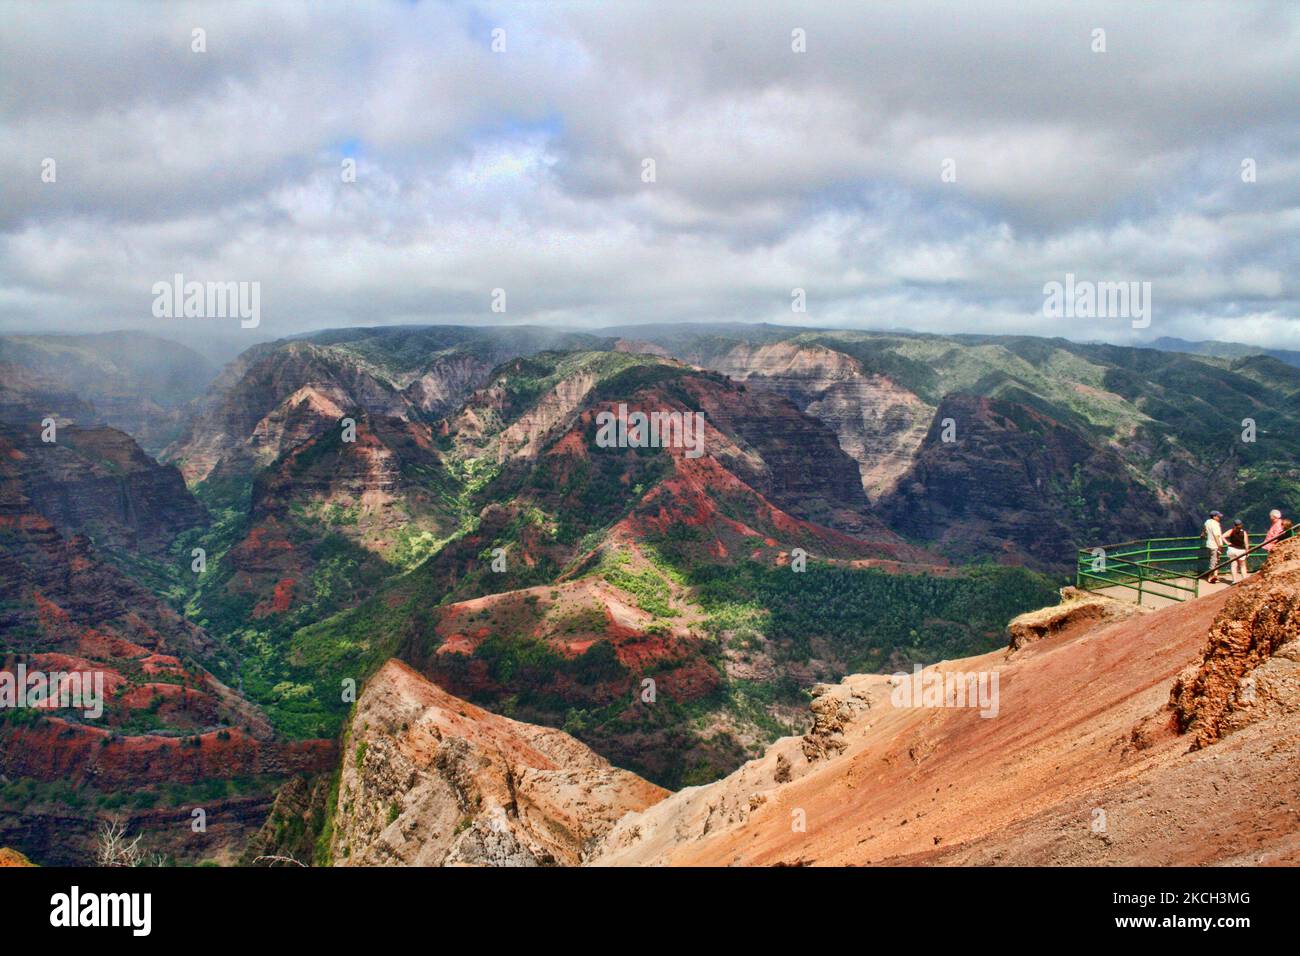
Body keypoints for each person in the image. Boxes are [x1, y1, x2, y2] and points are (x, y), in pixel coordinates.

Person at [1202, 510, 1226, 583]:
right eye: (1218, 516)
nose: (1219, 518)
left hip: (1209, 544)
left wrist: (1203, 534)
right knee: (1214, 561)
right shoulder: (1215, 524)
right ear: (1214, 517)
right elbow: (1216, 535)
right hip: (1215, 545)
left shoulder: (1207, 522)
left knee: (1216, 560)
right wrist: (1219, 546)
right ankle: (1210, 577)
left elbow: (1204, 529)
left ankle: (1215, 576)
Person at [1225, 519, 1250, 583]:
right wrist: (1247, 552)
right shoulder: (1244, 532)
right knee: (1242, 565)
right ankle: (1244, 580)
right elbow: (1246, 543)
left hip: (1232, 549)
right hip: (1241, 551)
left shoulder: (1231, 531)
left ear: (1234, 525)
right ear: (1241, 525)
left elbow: (1222, 536)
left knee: (1233, 565)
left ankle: (1234, 581)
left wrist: (1227, 543)